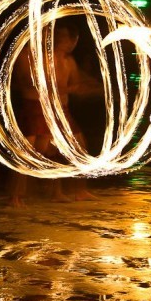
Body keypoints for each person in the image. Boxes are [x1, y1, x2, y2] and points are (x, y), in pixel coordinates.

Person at [7, 20, 101, 207]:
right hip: (35, 108)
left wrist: (89, 87)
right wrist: (65, 89)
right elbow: (28, 83)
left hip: (60, 110)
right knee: (32, 150)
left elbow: (75, 83)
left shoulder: (65, 60)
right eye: (46, 35)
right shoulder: (27, 56)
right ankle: (17, 195)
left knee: (76, 147)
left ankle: (72, 190)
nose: (54, 39)